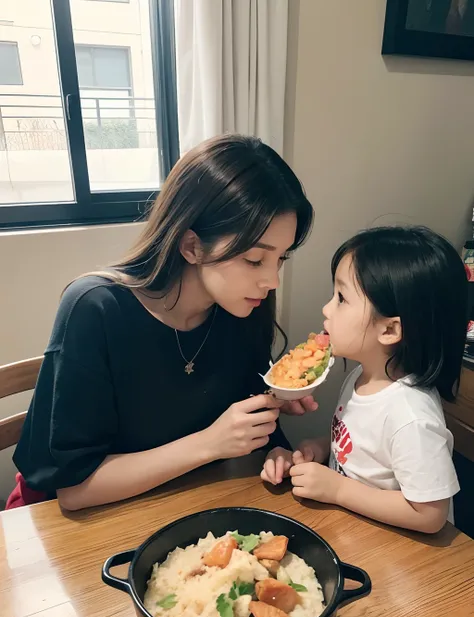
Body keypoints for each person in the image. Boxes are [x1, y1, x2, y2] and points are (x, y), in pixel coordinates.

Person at [6, 134, 316, 511]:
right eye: (254, 260)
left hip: (177, 503)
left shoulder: (243, 307)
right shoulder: (95, 309)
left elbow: (246, 415)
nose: (272, 281)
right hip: (67, 524)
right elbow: (73, 490)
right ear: (191, 246)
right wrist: (210, 443)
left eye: (281, 258)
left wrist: (275, 443)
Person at [262, 226, 468, 534]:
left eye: (341, 298)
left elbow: (430, 515)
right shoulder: (363, 376)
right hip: (355, 530)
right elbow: (366, 452)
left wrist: (338, 491)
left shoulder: (411, 417)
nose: (326, 308)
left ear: (389, 330)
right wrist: (323, 449)